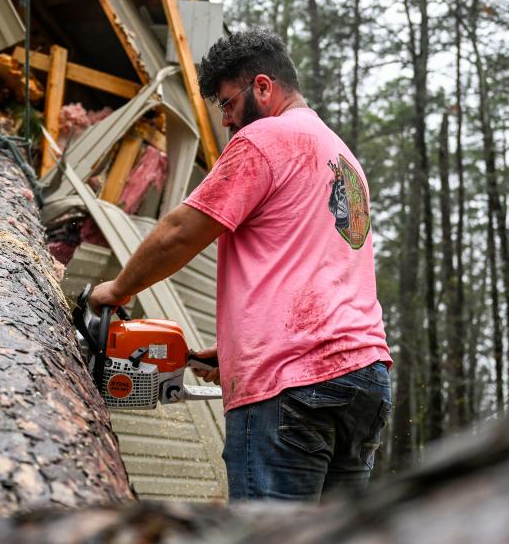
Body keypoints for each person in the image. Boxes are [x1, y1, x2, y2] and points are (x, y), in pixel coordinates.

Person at [89, 28, 392, 502]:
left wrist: (117, 290)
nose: (228, 122)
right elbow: (310, 269)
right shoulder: (341, 157)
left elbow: (180, 233)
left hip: (293, 386)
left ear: (264, 87)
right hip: (364, 379)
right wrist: (234, 348)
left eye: (228, 104)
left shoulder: (265, 139)